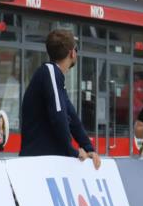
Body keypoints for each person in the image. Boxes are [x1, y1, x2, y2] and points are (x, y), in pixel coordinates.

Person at [19, 29, 100, 169]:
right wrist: (71, 151)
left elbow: (71, 117)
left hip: (46, 159)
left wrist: (89, 148)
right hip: (39, 161)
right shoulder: (50, 72)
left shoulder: (55, 77)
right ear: (72, 52)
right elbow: (58, 116)